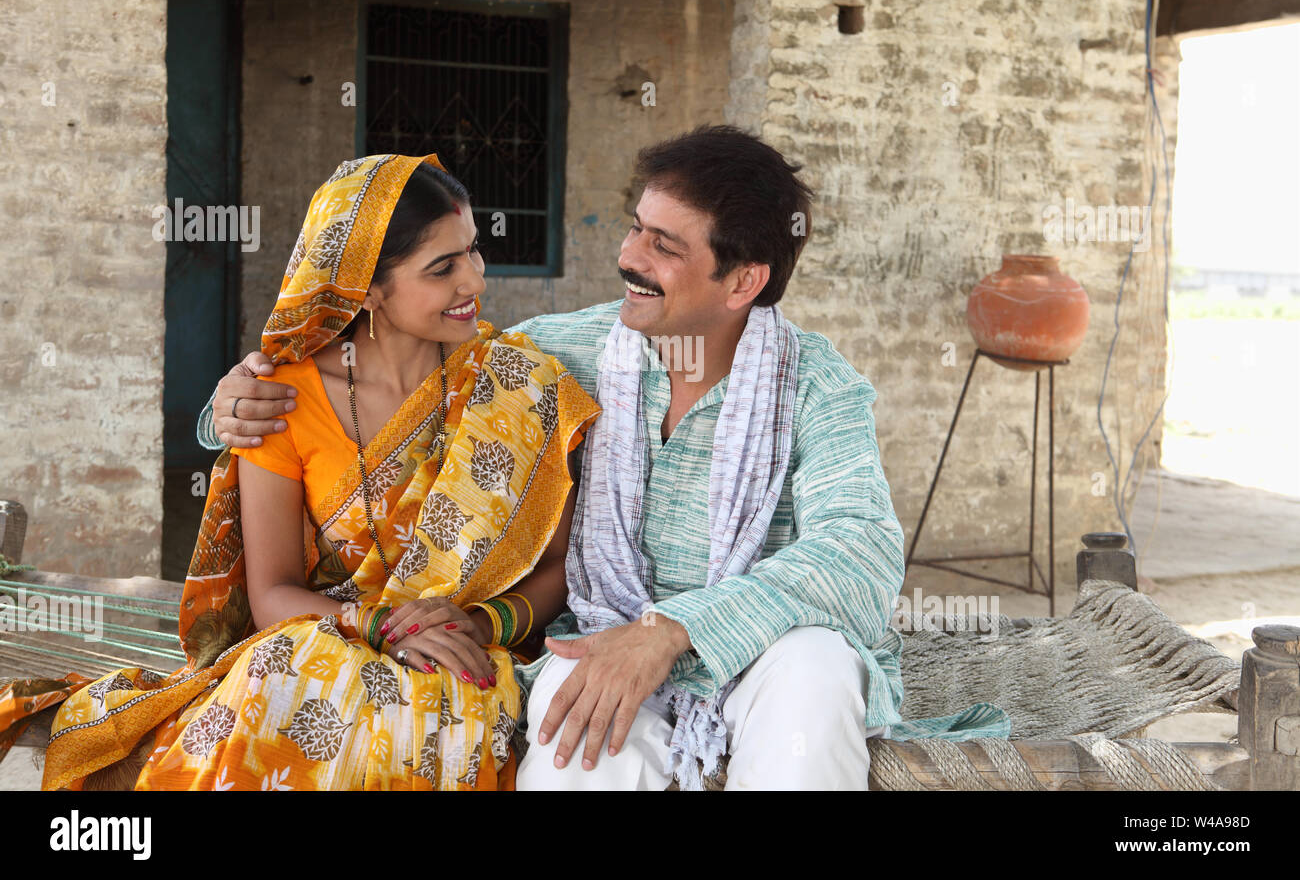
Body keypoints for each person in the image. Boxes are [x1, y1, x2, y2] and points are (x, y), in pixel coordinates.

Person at [203, 126, 1010, 791]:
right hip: (599, 632)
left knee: (816, 676)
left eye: (663, 246)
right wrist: (231, 404)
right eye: (634, 227)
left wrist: (674, 630)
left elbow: (860, 555)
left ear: (743, 281)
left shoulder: (817, 386)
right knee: (568, 743)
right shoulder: (559, 357)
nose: (629, 256)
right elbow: (405, 383)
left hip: (768, 647)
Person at [40, 153, 599, 791]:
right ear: (363, 285)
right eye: (442, 267)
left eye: (473, 252)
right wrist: (379, 627)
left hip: (464, 653)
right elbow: (272, 591)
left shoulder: (520, 386)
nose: (472, 280)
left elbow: (556, 566)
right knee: (287, 674)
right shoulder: (277, 400)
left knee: (423, 717)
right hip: (323, 637)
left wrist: (478, 625)